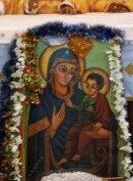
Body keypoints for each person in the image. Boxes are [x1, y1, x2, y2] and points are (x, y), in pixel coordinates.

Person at [27, 47, 85, 178]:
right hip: (50, 164)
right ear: (52, 70)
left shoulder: (80, 97)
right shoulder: (41, 98)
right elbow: (32, 138)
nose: (66, 76)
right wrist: (53, 128)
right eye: (62, 69)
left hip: (78, 157)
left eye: (71, 72)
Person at [61, 72, 114, 165]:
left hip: (93, 124)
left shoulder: (102, 99)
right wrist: (71, 105)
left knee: (84, 133)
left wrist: (100, 123)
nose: (89, 89)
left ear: (99, 87)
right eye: (87, 85)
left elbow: (105, 116)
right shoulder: (86, 98)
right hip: (83, 122)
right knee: (72, 131)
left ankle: (78, 154)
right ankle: (66, 156)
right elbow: (81, 108)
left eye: (93, 86)